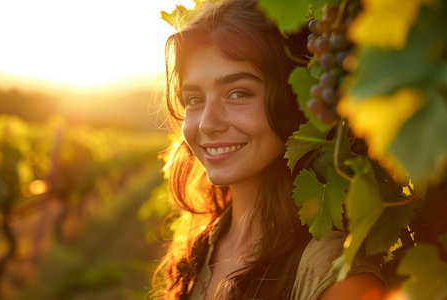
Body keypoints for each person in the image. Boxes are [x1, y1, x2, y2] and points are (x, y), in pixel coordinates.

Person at [156, 0, 385, 299]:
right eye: (194, 99)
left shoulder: (334, 277)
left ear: (294, 100)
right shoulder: (202, 242)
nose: (206, 125)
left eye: (239, 93)